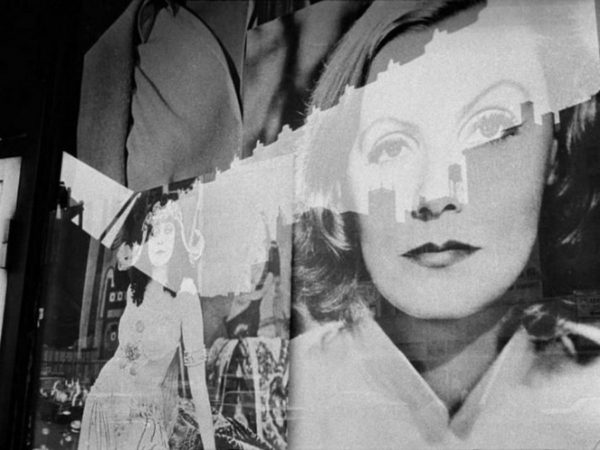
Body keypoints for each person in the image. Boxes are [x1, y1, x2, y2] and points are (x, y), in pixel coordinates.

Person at [290, 0, 600, 448]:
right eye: (391, 146)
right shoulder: (274, 396)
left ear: (555, 151)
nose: (435, 194)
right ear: (341, 185)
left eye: (489, 127)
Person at [79, 192, 215, 449]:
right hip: (104, 402)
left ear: (178, 238)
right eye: (153, 233)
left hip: (144, 419)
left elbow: (197, 383)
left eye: (168, 231)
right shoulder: (135, 289)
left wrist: (210, 447)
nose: (160, 240)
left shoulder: (185, 293)